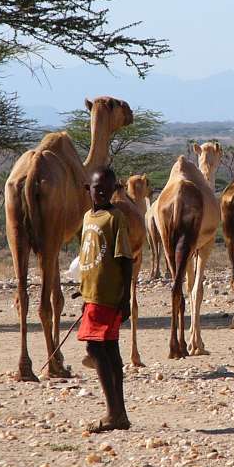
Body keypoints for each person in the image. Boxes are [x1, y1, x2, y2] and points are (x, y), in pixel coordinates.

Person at [77, 166, 132, 433]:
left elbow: (125, 259)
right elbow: (88, 255)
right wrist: (83, 290)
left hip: (108, 296)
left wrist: (126, 296)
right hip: (92, 295)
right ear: (88, 189)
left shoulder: (115, 217)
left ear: (113, 190)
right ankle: (119, 413)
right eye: (97, 188)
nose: (102, 193)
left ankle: (113, 412)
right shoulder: (88, 217)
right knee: (110, 350)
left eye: (107, 189)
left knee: (95, 348)